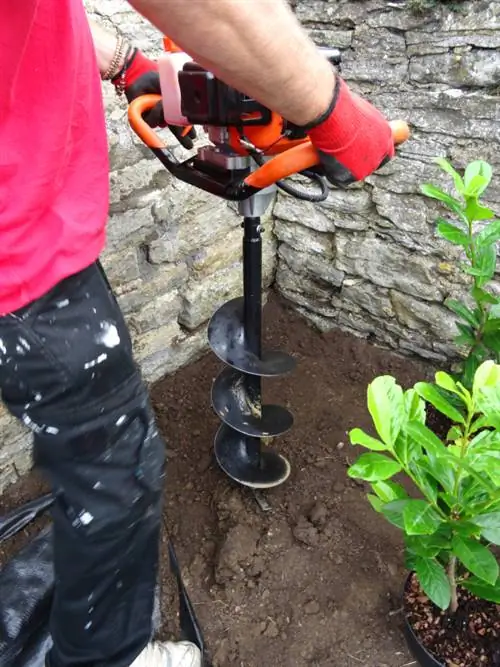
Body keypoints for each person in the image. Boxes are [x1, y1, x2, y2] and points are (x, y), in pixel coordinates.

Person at [0, 2, 397, 667]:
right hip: (19, 252)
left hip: (28, 231)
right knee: (115, 478)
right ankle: (107, 656)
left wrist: (127, 63)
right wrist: (336, 112)